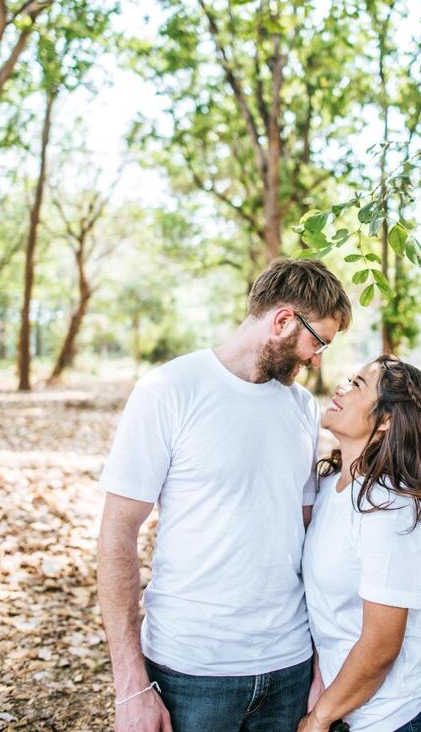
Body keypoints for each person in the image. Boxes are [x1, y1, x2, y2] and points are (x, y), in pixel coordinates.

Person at [97, 259, 352, 732]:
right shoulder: (168, 390)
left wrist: (321, 662)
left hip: (289, 667)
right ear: (282, 321)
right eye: (317, 342)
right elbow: (117, 535)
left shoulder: (301, 408)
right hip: (191, 671)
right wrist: (131, 686)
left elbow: (308, 538)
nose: (317, 359)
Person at [300, 355, 421, 732]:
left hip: (407, 718)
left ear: (386, 419)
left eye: (358, 385)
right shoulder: (329, 487)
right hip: (353, 712)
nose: (341, 388)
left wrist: (320, 717)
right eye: (348, 379)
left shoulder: (391, 510)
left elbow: (380, 647)